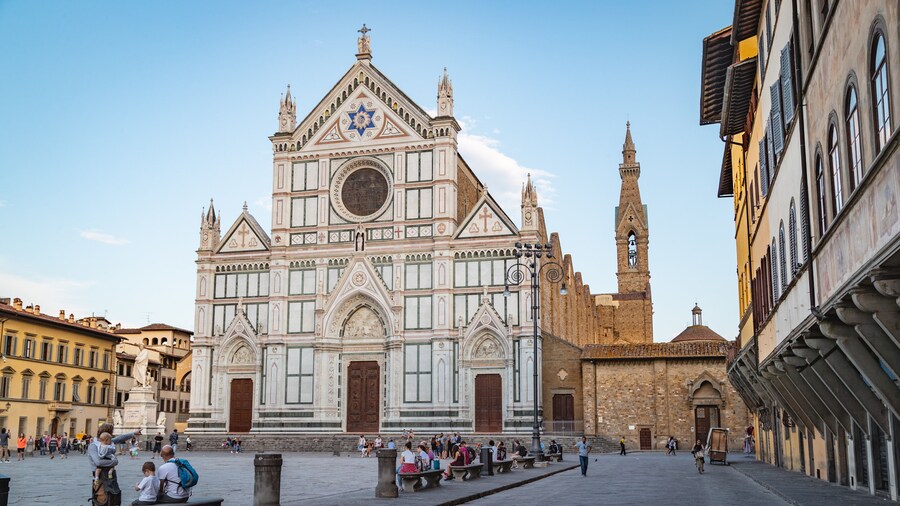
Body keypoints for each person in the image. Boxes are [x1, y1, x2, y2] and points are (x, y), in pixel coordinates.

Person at [89, 423, 142, 506]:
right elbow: (98, 462)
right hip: (100, 474)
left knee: (114, 494)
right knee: (103, 495)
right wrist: (114, 462)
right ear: (106, 434)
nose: (113, 434)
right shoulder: (93, 446)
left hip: (110, 473)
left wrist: (133, 433)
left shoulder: (108, 442)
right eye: (111, 432)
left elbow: (120, 438)